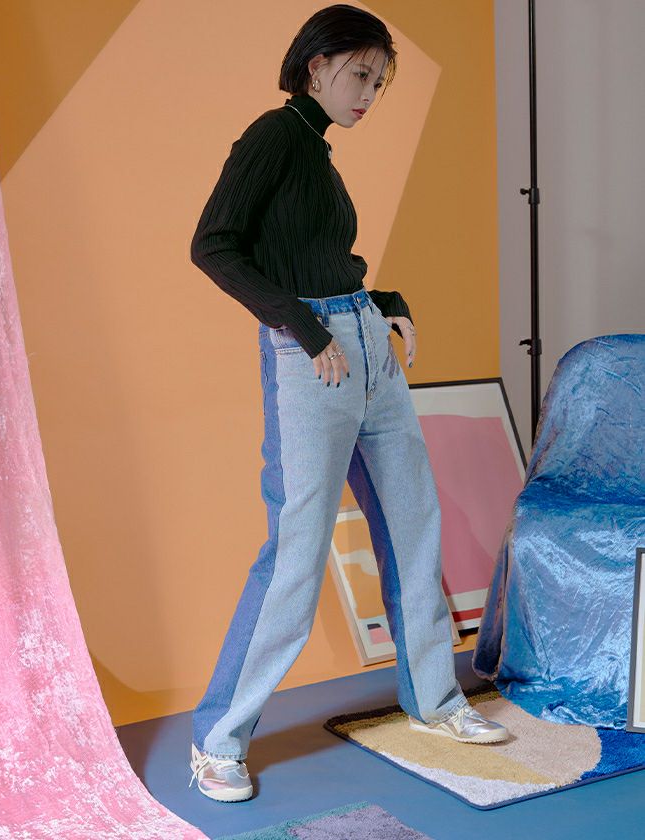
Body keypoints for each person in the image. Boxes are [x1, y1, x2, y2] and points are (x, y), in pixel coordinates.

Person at [188, 3, 508, 803]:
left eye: (380, 83)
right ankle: (219, 741)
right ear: (317, 64)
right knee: (297, 552)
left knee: (413, 525)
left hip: (365, 346)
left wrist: (383, 302)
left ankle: (435, 700)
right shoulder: (274, 136)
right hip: (313, 360)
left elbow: (324, 257)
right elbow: (213, 245)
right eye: (361, 75)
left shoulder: (319, 152)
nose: (369, 95)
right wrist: (301, 326)